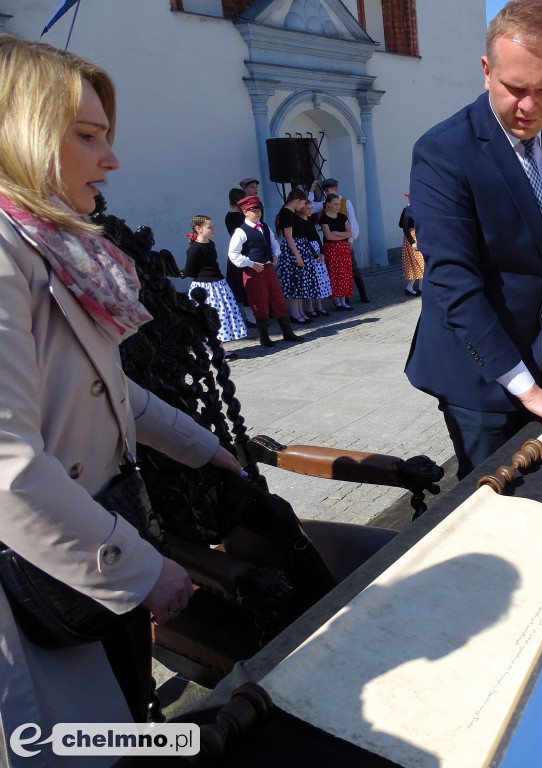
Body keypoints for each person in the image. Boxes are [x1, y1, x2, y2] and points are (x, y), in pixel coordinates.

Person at [0, 35, 245, 761]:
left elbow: (109, 392)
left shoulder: (48, 244)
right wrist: (141, 570)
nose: (110, 160)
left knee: (129, 728)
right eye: (85, 136)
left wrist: (206, 449)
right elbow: (7, 464)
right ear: (18, 131)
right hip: (40, 579)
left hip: (86, 550)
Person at [405, 0, 542, 480]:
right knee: (492, 495)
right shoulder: (444, 152)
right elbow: (453, 282)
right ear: (487, 71)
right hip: (477, 375)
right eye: (515, 88)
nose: (528, 106)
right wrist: (527, 391)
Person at [226, 195, 304, 347]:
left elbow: (274, 243)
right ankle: (264, 337)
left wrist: (275, 254)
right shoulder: (241, 232)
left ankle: (288, 332)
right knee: (259, 302)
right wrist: (249, 263)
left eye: (259, 210)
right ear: (245, 212)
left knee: (278, 299)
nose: (257, 213)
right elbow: (233, 254)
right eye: (253, 210)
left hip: (268, 268)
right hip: (253, 272)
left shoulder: (265, 227)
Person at [182, 215, 248, 346]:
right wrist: (181, 273)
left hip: (218, 284)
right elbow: (190, 270)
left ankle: (220, 348)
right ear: (198, 229)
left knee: (221, 316)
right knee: (207, 318)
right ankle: (209, 350)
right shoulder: (194, 249)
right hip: (205, 287)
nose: (213, 230)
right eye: (209, 227)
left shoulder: (210, 244)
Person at [310, 178, 370, 303]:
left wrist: (350, 240)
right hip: (332, 244)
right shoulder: (326, 203)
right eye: (325, 191)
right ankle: (343, 298)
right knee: (337, 270)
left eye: (329, 190)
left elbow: (352, 221)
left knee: (352, 268)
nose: (327, 192)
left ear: (335, 189)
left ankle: (363, 294)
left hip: (345, 242)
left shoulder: (345, 202)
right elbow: (310, 207)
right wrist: (311, 191)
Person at [275, 188, 318, 324]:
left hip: (301, 247)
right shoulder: (286, 213)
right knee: (294, 282)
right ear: (297, 200)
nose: (303, 207)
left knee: (300, 282)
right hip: (294, 250)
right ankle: (294, 313)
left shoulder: (292, 212)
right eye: (302, 203)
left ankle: (299, 311)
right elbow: (288, 236)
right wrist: (297, 256)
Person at [224, 187, 256, 327]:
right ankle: (250, 317)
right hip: (242, 254)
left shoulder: (238, 216)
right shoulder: (234, 217)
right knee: (243, 287)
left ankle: (254, 314)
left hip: (247, 252)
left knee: (250, 287)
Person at [319, 193, 354, 310]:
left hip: (343, 248)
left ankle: (343, 299)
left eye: (339, 204)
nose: (338, 206)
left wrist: (336, 233)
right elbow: (328, 236)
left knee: (345, 273)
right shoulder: (324, 218)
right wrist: (341, 235)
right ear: (328, 204)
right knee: (334, 273)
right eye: (335, 204)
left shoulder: (342, 217)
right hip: (331, 249)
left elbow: (350, 233)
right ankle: (336, 299)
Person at [399, 194, 424, 296]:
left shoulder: (414, 209)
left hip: (417, 237)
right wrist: (413, 243)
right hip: (412, 240)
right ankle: (410, 288)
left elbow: (400, 224)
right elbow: (404, 228)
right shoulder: (408, 211)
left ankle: (420, 288)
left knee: (421, 264)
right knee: (417, 264)